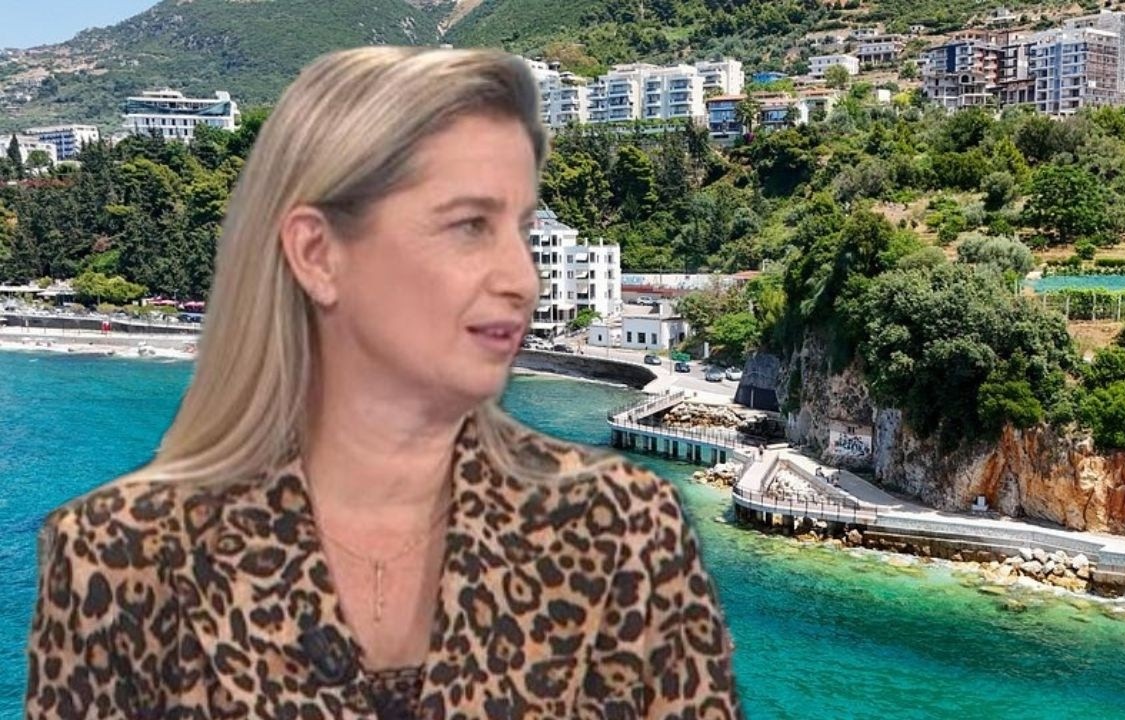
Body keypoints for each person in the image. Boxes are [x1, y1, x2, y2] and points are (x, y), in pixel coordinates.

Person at [25, 47, 740, 719]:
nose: (521, 279)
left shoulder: (625, 532)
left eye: (520, 230)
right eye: (468, 226)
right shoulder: (115, 560)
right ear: (317, 254)